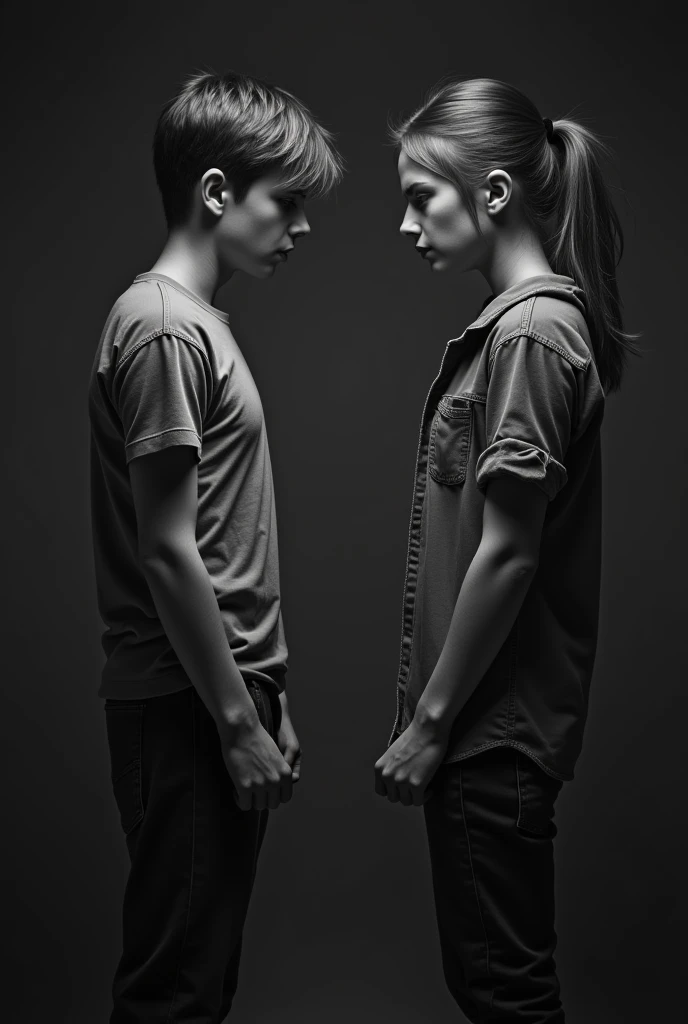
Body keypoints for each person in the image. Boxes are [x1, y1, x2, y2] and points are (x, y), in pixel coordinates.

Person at [374, 77, 635, 1021]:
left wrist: (433, 727)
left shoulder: (528, 335)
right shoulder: (522, 332)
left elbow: (510, 553)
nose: (406, 225)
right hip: (488, 738)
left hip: (489, 738)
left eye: (419, 196)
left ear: (491, 194)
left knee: (505, 995)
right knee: (498, 987)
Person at [88, 70, 342, 1023]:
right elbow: (167, 550)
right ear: (215, 192)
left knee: (201, 979)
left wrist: (265, 698)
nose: (302, 227)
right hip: (188, 704)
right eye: (288, 202)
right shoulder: (160, 328)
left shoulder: (196, 327)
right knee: (175, 992)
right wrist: (237, 720)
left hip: (221, 694)